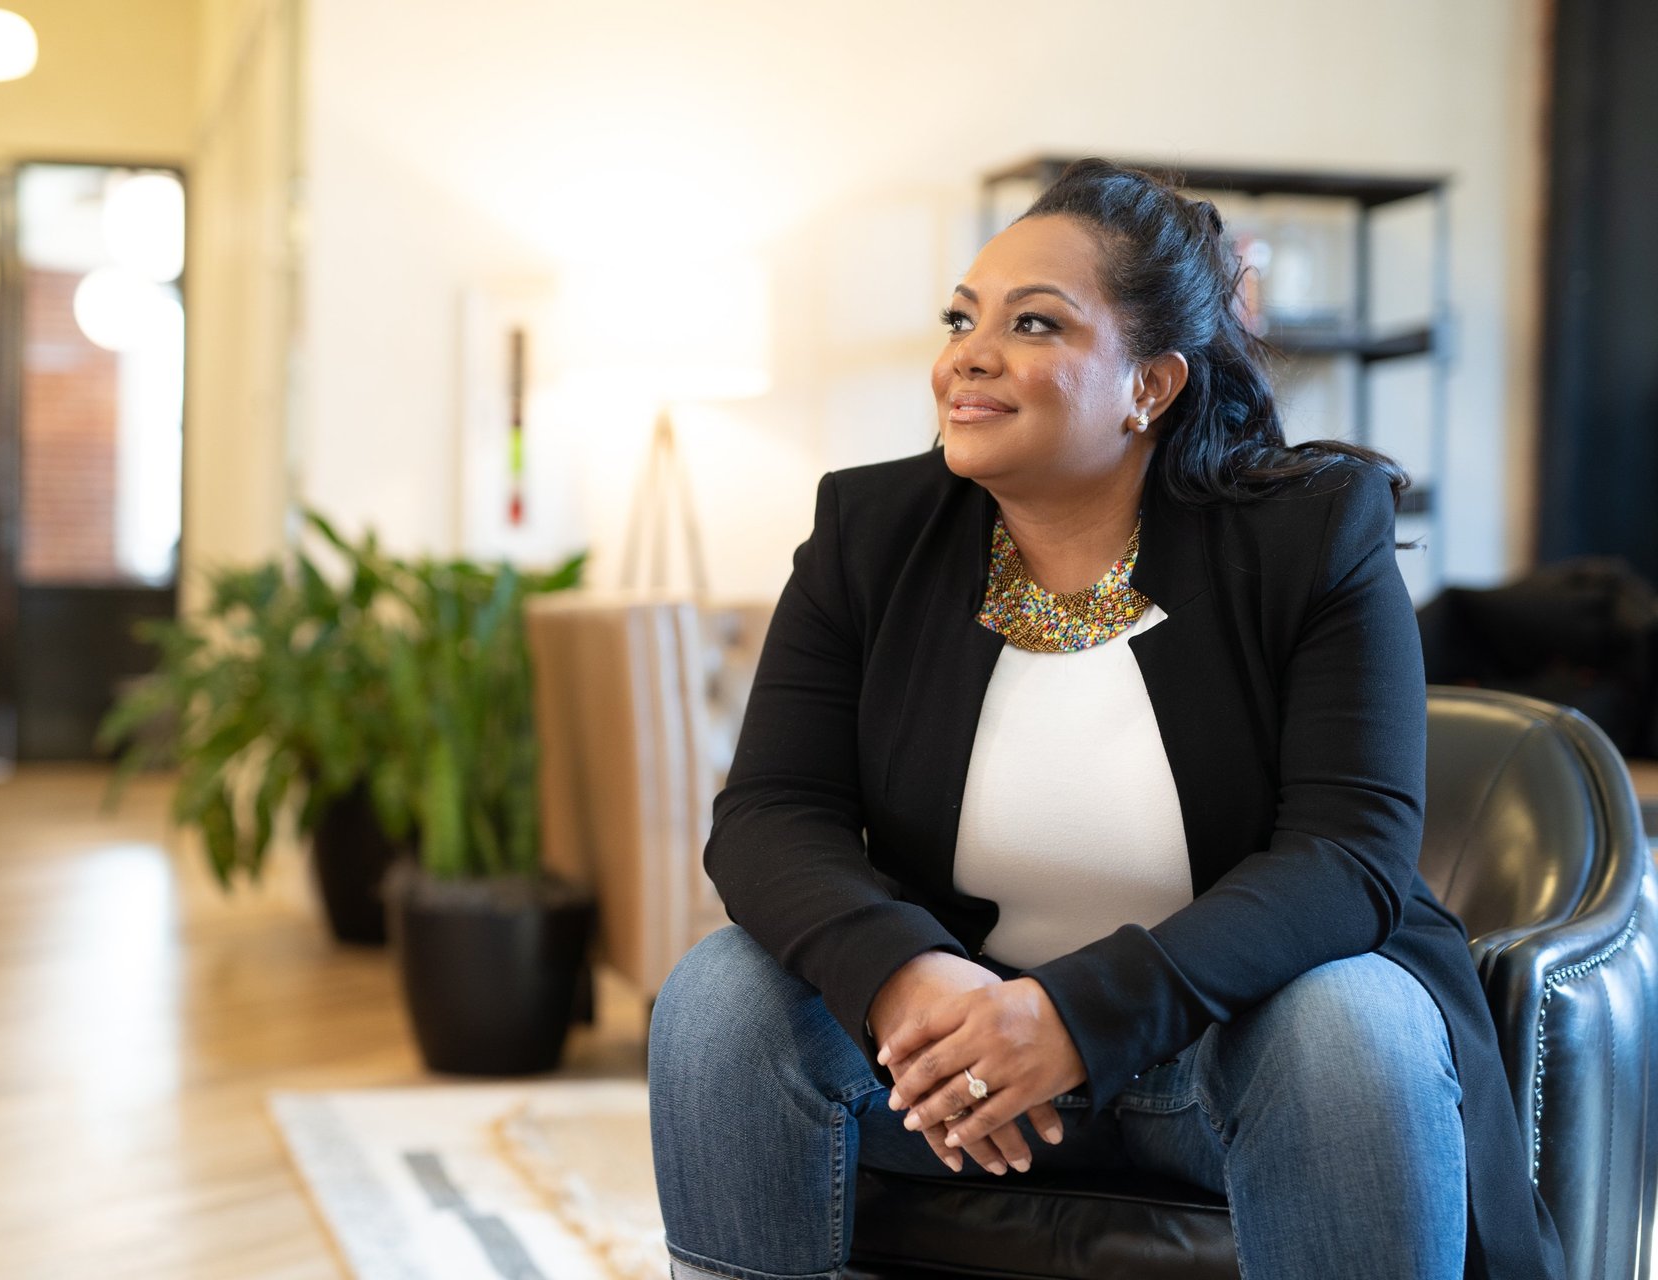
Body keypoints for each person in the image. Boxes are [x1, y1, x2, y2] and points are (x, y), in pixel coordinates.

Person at [646, 158, 1566, 1280]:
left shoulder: (1312, 533)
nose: (968, 356)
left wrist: (1070, 1018)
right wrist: (909, 977)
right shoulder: (868, 530)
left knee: (1351, 1019)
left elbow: (1348, 858)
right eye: (961, 318)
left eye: (1034, 324)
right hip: (955, 1056)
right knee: (723, 993)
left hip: (1228, 1053)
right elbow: (770, 814)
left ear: (1152, 385)